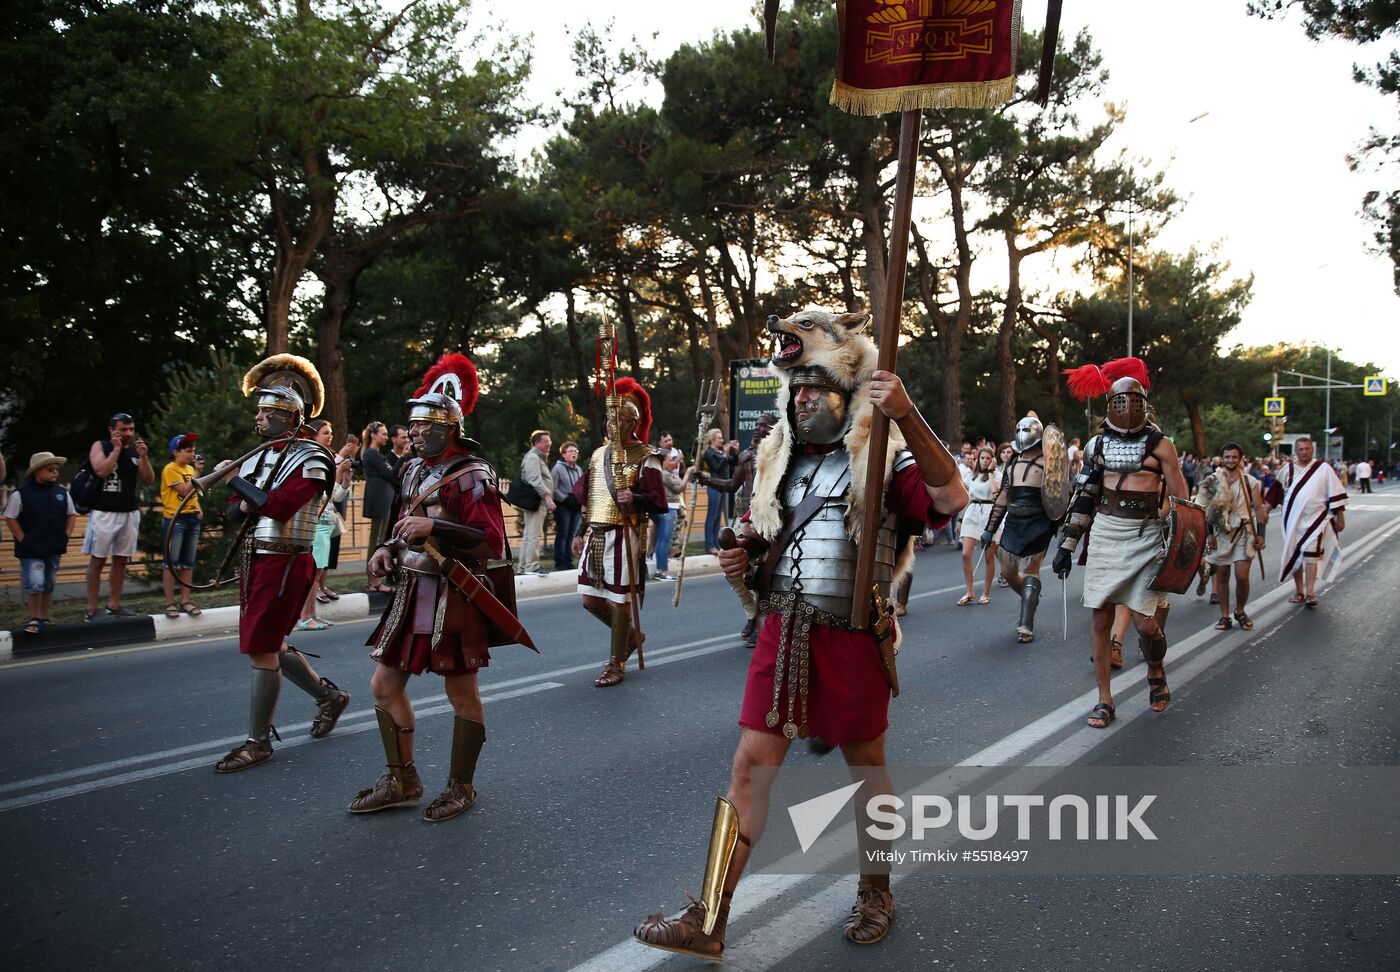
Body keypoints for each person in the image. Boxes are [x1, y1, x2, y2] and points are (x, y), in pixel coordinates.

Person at [632, 309, 966, 958]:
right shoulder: (776, 463)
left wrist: (905, 414)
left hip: (852, 638)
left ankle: (876, 891)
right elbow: (768, 548)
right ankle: (710, 917)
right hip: (783, 634)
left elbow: (952, 500)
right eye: (799, 388)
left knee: (866, 768)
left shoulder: (882, 462)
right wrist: (744, 560)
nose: (804, 398)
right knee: (748, 770)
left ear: (846, 395)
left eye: (817, 388)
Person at [352, 352, 512, 822]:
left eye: (424, 426)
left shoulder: (474, 475)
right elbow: (406, 522)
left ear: (450, 428)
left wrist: (434, 530)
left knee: (461, 694)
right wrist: (386, 547)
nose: (414, 433)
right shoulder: (414, 471)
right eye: (412, 426)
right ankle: (403, 779)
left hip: (454, 593)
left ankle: (460, 786)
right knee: (383, 685)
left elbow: (490, 542)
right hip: (410, 592)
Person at [210, 354, 352, 773]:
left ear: (288, 417)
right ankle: (328, 697)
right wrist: (237, 489)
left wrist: (233, 481)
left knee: (261, 648)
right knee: (270, 643)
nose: (258, 418)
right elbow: (236, 511)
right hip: (259, 558)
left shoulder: (311, 457)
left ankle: (258, 743)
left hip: (287, 560)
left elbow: (279, 508)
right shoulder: (259, 456)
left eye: (266, 411)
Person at [1054, 357, 1188, 729]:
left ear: (1145, 402)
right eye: (1119, 400)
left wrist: (1181, 547)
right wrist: (1067, 545)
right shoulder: (1097, 445)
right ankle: (1105, 699)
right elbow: (1084, 496)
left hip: (1145, 536)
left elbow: (1183, 502)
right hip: (1106, 535)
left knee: (1146, 625)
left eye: (1134, 399)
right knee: (1100, 619)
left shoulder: (1161, 446)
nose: (1127, 406)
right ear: (1109, 403)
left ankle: (1156, 670)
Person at [573, 377, 666, 687]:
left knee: (618, 600)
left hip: (624, 532)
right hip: (595, 533)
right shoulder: (598, 455)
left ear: (632, 423)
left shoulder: (646, 455)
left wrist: (635, 497)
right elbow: (586, 496)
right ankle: (631, 636)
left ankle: (617, 662)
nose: (613, 425)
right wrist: (577, 530)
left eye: (620, 420)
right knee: (590, 600)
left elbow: (657, 501)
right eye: (610, 419)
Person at [980, 413, 1059, 642]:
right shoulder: (1013, 462)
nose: (1022, 436)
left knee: (1032, 570)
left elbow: (1058, 497)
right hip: (1014, 521)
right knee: (1007, 571)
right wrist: (990, 528)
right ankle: (1030, 595)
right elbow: (1004, 496)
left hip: (1039, 521)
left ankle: (1026, 623)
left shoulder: (1049, 462)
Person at [698, 414, 776, 642]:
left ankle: (765, 623)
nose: (757, 429)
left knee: (765, 573)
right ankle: (752, 614)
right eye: (756, 424)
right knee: (734, 569)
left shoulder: (782, 456)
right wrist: (706, 479)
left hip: (772, 520)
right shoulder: (746, 457)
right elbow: (732, 485)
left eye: (763, 425)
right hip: (747, 520)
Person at [82, 412, 155, 621]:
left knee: (121, 560)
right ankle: (92, 608)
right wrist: (115, 449)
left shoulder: (134, 451)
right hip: (104, 512)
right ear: (112, 430)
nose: (128, 433)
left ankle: (114, 605)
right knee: (98, 560)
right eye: (123, 429)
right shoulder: (101, 446)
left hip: (128, 512)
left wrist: (143, 457)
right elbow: (101, 471)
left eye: (131, 429)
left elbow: (149, 479)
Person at [1196, 442, 1268, 631]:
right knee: (1222, 576)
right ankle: (1225, 616)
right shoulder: (1212, 481)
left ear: (1240, 459)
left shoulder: (1250, 481)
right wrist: (1209, 535)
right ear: (1222, 458)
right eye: (1227, 457)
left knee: (1242, 576)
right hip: (1220, 533)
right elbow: (1203, 509)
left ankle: (1240, 611)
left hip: (1244, 533)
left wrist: (1261, 534)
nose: (1230, 460)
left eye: (1234, 457)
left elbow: (1259, 508)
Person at [4, 452, 77, 634]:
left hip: (54, 546)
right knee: (35, 582)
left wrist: (66, 535)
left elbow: (71, 514)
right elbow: (10, 517)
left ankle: (43, 616)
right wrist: (22, 538)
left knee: (49, 581)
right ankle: (34, 617)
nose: (55, 473)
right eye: (50, 469)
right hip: (31, 548)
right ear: (37, 471)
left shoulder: (61, 493)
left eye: (56, 469)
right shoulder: (21, 494)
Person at [1277, 435, 1346, 608]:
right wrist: (1265, 509)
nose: (1304, 452)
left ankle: (1310, 593)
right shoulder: (1288, 470)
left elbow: (1335, 492)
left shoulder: (1323, 469)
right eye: (1300, 449)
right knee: (1295, 554)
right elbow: (1275, 493)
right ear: (1295, 451)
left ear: (1312, 450)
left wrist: (1340, 517)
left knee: (1310, 556)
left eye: (1307, 448)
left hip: (1316, 520)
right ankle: (1299, 591)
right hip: (1292, 521)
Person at [297, 419, 350, 631]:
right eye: (325, 433)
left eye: (330, 432)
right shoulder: (312, 458)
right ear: (314, 436)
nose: (330, 436)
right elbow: (317, 492)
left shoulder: (325, 458)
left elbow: (334, 495)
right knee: (313, 572)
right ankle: (304, 617)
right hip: (316, 522)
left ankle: (311, 615)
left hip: (327, 521)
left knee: (317, 573)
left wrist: (345, 481)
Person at [159, 434, 203, 619]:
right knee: (171, 563)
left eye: (193, 450)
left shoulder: (190, 469)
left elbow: (193, 494)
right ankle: (170, 603)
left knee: (188, 563)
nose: (192, 454)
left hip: (191, 518)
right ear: (176, 452)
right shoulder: (171, 469)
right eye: (187, 450)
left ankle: (185, 600)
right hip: (175, 520)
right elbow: (184, 490)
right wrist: (198, 473)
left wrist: (198, 508)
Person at [957, 446, 1000, 605]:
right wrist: (961, 519)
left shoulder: (996, 475)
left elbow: (995, 490)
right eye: (982, 458)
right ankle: (969, 591)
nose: (984, 461)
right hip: (972, 513)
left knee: (989, 556)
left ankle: (986, 592)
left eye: (988, 458)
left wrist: (990, 472)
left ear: (992, 460)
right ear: (978, 459)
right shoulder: (970, 476)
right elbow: (967, 498)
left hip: (989, 514)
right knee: (965, 554)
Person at [360, 421, 398, 587]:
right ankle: (373, 580)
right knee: (376, 540)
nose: (386, 437)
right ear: (373, 435)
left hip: (383, 499)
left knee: (378, 539)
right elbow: (390, 474)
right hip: (379, 499)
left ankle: (373, 579)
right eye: (383, 434)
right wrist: (402, 457)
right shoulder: (371, 453)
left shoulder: (375, 454)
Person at [518, 430, 554, 575]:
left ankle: (523, 567)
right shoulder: (533, 457)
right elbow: (535, 480)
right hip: (537, 501)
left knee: (529, 534)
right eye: (546, 441)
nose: (549, 444)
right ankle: (532, 567)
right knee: (533, 534)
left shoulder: (536, 457)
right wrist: (547, 497)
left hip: (536, 501)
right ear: (537, 443)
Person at [551, 441, 584, 571]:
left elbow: (581, 486)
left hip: (575, 505)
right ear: (564, 454)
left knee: (572, 533)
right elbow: (553, 488)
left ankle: (568, 560)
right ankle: (560, 561)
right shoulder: (558, 468)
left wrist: (580, 500)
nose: (574, 453)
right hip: (563, 506)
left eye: (575, 451)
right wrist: (564, 499)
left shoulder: (578, 469)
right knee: (563, 533)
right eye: (570, 451)